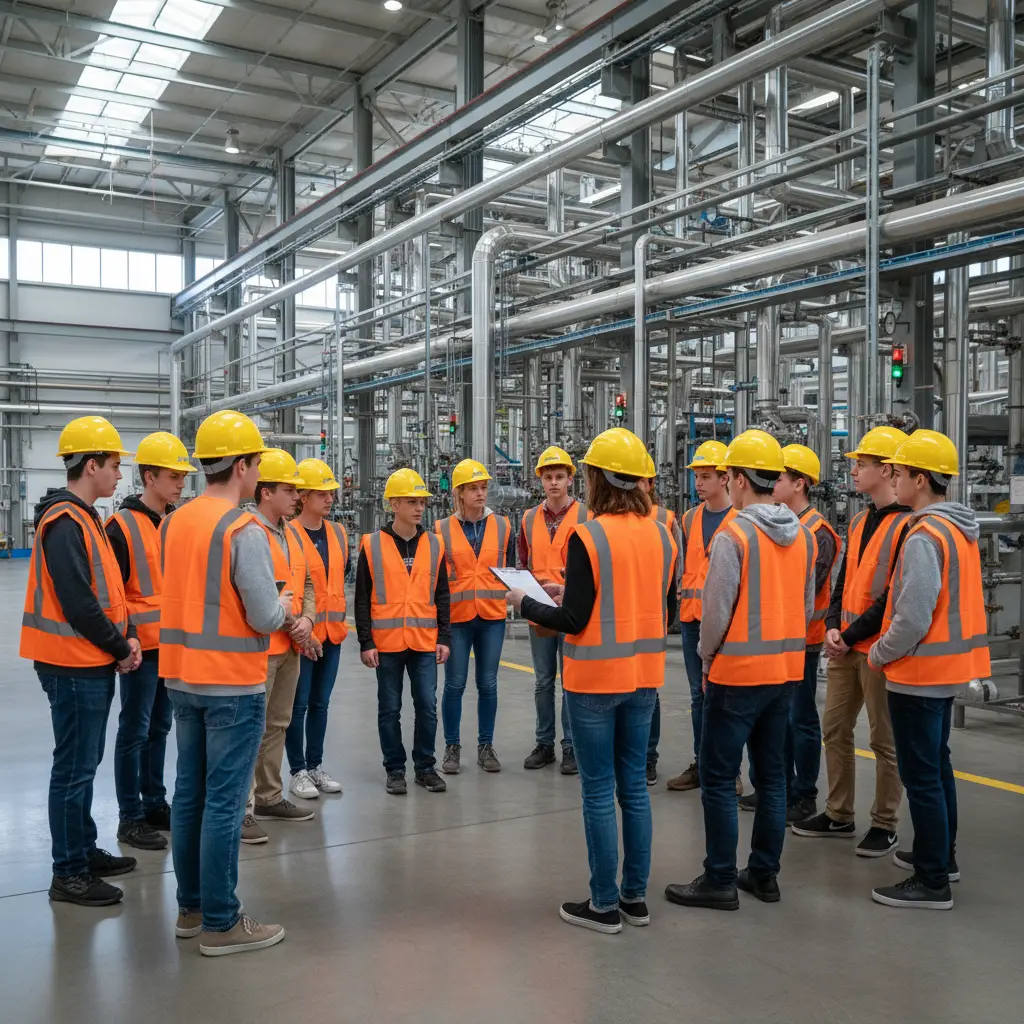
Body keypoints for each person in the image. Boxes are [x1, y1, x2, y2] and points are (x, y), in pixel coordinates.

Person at [509, 427, 677, 935]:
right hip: (644, 676)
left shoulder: (590, 534)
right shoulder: (663, 532)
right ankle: (634, 899)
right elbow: (652, 603)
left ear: (598, 478)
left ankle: (603, 905)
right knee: (635, 789)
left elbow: (574, 621)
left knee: (599, 791)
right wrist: (569, 588)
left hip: (595, 683)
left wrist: (528, 603)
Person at [665, 430, 815, 911]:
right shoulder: (803, 535)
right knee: (772, 776)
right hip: (785, 673)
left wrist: (707, 659)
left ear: (736, 478)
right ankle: (764, 875)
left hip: (736, 676)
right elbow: (807, 606)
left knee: (718, 775)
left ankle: (719, 878)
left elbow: (716, 612)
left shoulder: (735, 535)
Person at [160, 409, 293, 956]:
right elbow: (264, 616)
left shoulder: (175, 521)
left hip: (182, 678)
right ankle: (221, 921)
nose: (258, 472)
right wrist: (284, 601)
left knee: (188, 795)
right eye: (257, 462)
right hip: (232, 685)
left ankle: (192, 908)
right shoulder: (243, 529)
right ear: (241, 466)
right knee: (223, 802)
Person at [867, 430, 989, 910]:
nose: (893, 480)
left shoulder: (923, 535)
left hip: (918, 672)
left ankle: (932, 879)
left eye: (897, 473)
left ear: (920, 479)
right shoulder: (957, 529)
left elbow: (913, 615)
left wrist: (879, 653)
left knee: (921, 776)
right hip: (946, 670)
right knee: (937, 769)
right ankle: (943, 857)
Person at [21, 416, 140, 907]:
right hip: (71, 664)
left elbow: (110, 592)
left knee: (84, 763)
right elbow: (78, 602)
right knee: (73, 767)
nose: (118, 476)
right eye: (114, 466)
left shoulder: (87, 517)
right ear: (91, 465)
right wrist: (120, 646)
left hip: (89, 659)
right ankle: (67, 872)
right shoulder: (65, 522)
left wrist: (125, 635)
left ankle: (83, 849)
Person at [792, 425, 911, 857]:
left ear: (887, 469)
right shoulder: (860, 520)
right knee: (835, 728)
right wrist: (831, 625)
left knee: (884, 741)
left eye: (862, 464)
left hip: (880, 649)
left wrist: (850, 634)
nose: (855, 471)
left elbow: (892, 596)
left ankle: (885, 823)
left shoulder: (907, 525)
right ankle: (839, 813)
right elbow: (844, 580)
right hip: (845, 644)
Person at [739, 444, 839, 823]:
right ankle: (775, 787)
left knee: (801, 719)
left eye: (779, 478)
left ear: (800, 484)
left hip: (806, 639)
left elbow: (804, 588)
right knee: (777, 719)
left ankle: (804, 794)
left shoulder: (818, 532)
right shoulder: (780, 524)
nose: (773, 483)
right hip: (778, 637)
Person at [107, 431, 194, 853]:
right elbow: (113, 593)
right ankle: (130, 817)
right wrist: (128, 639)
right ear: (149, 476)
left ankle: (155, 802)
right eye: (173, 475)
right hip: (141, 648)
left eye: (182, 475)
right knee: (135, 729)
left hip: (173, 645)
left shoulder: (176, 521)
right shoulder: (121, 526)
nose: (180, 482)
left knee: (160, 726)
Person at [355, 468, 451, 795]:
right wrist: (366, 641)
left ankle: (425, 767)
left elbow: (442, 595)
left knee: (427, 704)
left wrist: (444, 637)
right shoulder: (372, 545)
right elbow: (363, 598)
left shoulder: (435, 545)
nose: (419, 507)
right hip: (387, 643)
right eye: (411, 501)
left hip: (424, 642)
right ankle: (395, 769)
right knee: (389, 709)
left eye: (422, 502)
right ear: (393, 504)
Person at [241, 448, 320, 846]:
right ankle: (244, 809)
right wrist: (297, 627)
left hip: (289, 645)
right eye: (290, 490)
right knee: (250, 730)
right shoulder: (247, 530)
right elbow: (256, 595)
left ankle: (270, 796)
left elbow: (304, 583)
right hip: (261, 645)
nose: (297, 497)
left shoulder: (291, 533)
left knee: (277, 724)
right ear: (266, 491)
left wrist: (306, 620)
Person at [665, 439, 737, 793]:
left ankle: (730, 770)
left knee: (725, 697)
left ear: (725, 478)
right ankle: (702, 763)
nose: (699, 483)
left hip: (727, 623)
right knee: (699, 695)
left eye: (706, 476)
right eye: (696, 476)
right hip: (693, 620)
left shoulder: (740, 517)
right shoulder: (690, 518)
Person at [435, 459, 515, 775]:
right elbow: (438, 580)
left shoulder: (504, 525)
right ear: (460, 493)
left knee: (488, 684)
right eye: (473, 488)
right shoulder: (441, 529)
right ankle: (452, 748)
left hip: (492, 616)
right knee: (454, 684)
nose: (480, 493)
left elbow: (509, 568)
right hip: (457, 617)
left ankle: (486, 746)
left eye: (483, 487)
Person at [519, 446, 588, 775]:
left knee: (572, 681)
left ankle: (571, 748)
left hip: (572, 610)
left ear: (570, 480)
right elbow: (523, 562)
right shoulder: (529, 518)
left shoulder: (587, 516)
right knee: (543, 682)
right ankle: (544, 744)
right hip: (540, 611)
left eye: (560, 476)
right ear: (541, 482)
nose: (554, 483)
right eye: (548, 477)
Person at [286, 458, 349, 800]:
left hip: (333, 633)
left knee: (321, 704)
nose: (329, 499)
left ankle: (315, 766)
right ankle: (297, 770)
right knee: (298, 705)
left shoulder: (338, 532)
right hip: (301, 635)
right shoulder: (289, 533)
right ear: (304, 496)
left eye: (331, 493)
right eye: (322, 493)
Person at [638, 451, 683, 787]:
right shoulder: (607, 516)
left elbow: (674, 574)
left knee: (648, 691)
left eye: (640, 479)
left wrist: (668, 616)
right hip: (619, 615)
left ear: (651, 483)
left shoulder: (666, 518)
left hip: (653, 615)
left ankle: (649, 757)